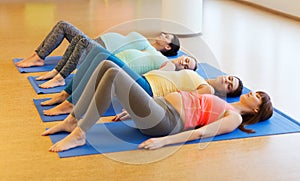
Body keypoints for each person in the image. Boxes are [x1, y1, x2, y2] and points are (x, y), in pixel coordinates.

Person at [41, 60, 273, 152]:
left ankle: (80, 133)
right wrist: (131, 110)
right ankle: (72, 119)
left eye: (258, 97)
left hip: (165, 122)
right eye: (256, 91)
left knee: (112, 72)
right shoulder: (226, 102)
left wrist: (163, 142)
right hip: (157, 108)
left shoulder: (235, 117)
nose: (253, 93)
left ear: (256, 110)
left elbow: (201, 133)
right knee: (105, 66)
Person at [40, 52, 241, 116]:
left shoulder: (207, 90)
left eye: (230, 85)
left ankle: (69, 102)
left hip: (147, 91)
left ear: (226, 92)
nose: (227, 80)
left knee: (101, 56)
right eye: (231, 77)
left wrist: (139, 109)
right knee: (98, 56)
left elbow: (180, 101)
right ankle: (66, 95)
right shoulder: (197, 75)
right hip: (145, 80)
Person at [16, 20, 180, 88]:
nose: (163, 35)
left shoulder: (152, 53)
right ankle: (37, 56)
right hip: (94, 42)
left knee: (76, 35)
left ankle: (58, 76)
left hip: (98, 51)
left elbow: (138, 62)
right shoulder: (147, 43)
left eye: (167, 37)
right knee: (62, 25)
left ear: (167, 47)